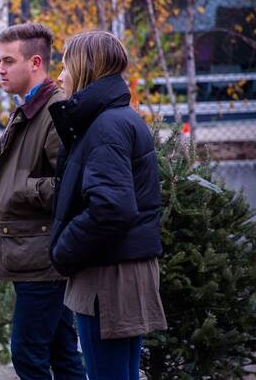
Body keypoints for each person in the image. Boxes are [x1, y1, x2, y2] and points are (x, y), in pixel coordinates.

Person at [49, 30, 168, 380]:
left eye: (65, 66)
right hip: (120, 272)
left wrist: (63, 249)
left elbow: (112, 208)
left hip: (109, 277)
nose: (59, 77)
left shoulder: (106, 126)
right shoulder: (117, 118)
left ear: (85, 68)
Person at [0, 22, 86, 380]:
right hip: (32, 254)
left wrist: (22, 188)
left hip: (43, 258)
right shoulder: (28, 109)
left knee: (27, 353)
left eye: (8, 61)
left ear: (35, 62)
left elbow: (73, 186)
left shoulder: (55, 111)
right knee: (62, 353)